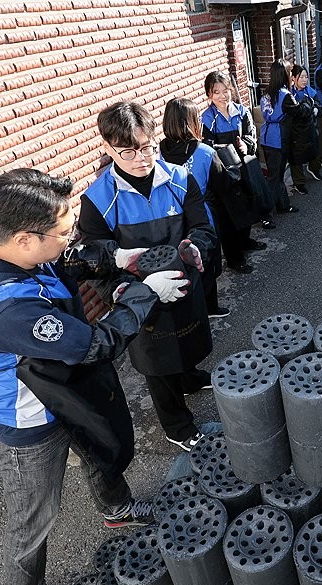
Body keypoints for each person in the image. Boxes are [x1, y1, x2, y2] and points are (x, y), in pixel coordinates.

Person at [0, 168, 187, 585]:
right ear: (27, 239)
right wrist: (143, 294)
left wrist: (118, 256)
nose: (70, 235)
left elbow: (67, 259)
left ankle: (116, 509)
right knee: (34, 516)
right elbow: (92, 344)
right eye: (63, 229)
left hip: (63, 388)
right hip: (28, 419)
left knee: (101, 450)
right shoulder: (7, 312)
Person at [78, 101, 216, 450]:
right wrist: (119, 290)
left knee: (189, 340)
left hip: (184, 282)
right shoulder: (98, 201)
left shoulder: (180, 180)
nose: (142, 158)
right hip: (142, 298)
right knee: (158, 362)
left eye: (147, 147)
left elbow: (202, 226)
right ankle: (177, 425)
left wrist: (195, 248)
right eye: (129, 152)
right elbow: (97, 262)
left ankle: (189, 376)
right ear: (108, 148)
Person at [161, 97, 232, 315]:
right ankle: (209, 308)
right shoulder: (204, 152)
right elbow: (223, 184)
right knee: (206, 263)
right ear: (192, 122)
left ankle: (189, 308)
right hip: (202, 217)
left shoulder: (158, 152)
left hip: (170, 219)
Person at [201, 71, 275, 234]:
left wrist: (246, 144)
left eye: (225, 90)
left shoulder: (242, 111)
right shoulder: (207, 118)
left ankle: (263, 217)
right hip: (226, 166)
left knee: (255, 191)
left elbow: (252, 135)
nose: (222, 96)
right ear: (209, 94)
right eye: (216, 92)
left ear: (231, 90)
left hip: (246, 160)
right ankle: (242, 240)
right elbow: (207, 146)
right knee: (236, 203)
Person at [259, 60, 306, 214]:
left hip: (266, 137)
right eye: (290, 72)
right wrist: (308, 105)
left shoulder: (266, 93)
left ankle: (283, 205)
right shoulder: (285, 95)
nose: (292, 75)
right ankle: (266, 214)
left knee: (276, 176)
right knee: (274, 177)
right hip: (278, 139)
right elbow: (300, 112)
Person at [289, 65, 322, 191]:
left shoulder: (310, 91)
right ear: (293, 78)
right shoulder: (289, 93)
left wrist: (316, 109)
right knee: (296, 157)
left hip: (310, 127)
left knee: (313, 151)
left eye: (306, 77)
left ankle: (314, 169)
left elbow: (319, 105)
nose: (304, 80)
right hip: (295, 131)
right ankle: (299, 182)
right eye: (301, 77)